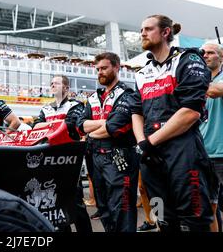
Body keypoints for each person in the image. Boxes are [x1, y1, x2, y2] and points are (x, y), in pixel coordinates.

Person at [129, 14, 213, 232]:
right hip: (150, 152)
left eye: (148, 29)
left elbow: (190, 112)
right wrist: (142, 143)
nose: (142, 34)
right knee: (162, 215)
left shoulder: (188, 60)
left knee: (195, 218)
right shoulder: (142, 72)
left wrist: (150, 142)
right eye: (141, 30)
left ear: (165, 32)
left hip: (182, 149)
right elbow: (136, 111)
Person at [71, 52, 139, 232]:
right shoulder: (93, 97)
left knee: (122, 208)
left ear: (117, 67)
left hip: (119, 157)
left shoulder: (128, 94)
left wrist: (93, 131)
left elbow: (115, 127)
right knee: (104, 208)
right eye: (98, 69)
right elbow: (80, 125)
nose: (100, 72)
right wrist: (103, 124)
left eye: (104, 68)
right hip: (94, 157)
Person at [199, 42, 223, 231]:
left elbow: (215, 91)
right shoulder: (197, 83)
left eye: (210, 52)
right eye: (202, 52)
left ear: (222, 58)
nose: (205, 55)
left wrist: (194, 77)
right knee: (207, 208)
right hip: (202, 152)